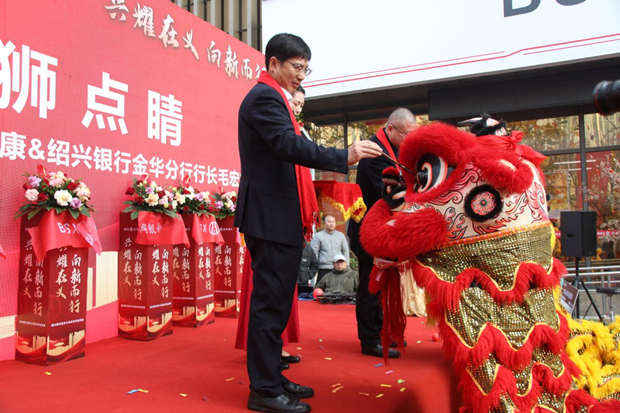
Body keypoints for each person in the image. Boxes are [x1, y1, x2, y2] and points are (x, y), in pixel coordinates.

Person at [235, 33, 382, 413]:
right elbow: (288, 146)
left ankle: (272, 376)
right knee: (270, 304)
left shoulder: (276, 97)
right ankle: (264, 391)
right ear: (273, 63)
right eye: (297, 67)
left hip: (277, 217)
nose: (302, 75)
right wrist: (344, 154)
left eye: (306, 68)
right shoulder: (265, 97)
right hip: (269, 217)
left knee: (278, 302)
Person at [347, 108, 417, 359]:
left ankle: (380, 332)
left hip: (382, 230)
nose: (409, 140)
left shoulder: (393, 150)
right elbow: (388, 194)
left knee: (382, 285)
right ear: (390, 129)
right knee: (371, 285)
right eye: (407, 134)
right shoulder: (375, 153)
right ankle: (369, 339)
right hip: (369, 230)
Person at [310, 215, 349, 285]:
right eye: (329, 222)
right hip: (324, 268)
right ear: (325, 223)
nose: (331, 224)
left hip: (338, 268)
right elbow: (314, 252)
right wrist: (315, 266)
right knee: (321, 289)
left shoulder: (341, 236)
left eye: (333, 222)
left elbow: (345, 251)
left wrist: (346, 265)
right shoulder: (318, 236)